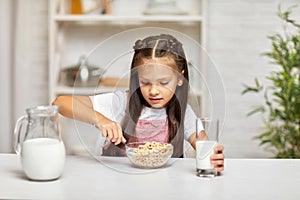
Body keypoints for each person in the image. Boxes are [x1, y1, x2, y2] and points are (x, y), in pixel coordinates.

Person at [52, 34, 224, 172]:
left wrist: (212, 158)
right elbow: (61, 102)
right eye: (145, 82)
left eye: (163, 83)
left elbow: (203, 144)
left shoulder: (183, 112)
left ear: (180, 78)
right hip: (112, 180)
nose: (154, 91)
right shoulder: (121, 102)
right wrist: (100, 119)